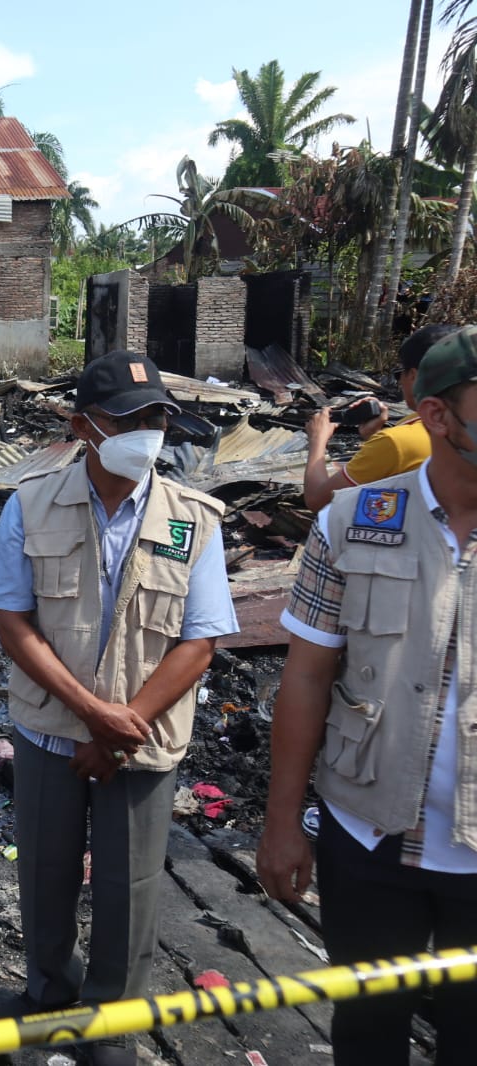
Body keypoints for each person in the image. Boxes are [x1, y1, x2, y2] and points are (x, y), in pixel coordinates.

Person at [0, 350, 239, 1066]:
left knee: (131, 889)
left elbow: (200, 640)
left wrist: (123, 726)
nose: (148, 432)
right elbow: (13, 621)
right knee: (46, 874)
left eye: (157, 417)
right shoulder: (29, 504)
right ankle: (47, 996)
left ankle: (111, 1025)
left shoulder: (195, 519)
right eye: (130, 419)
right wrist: (93, 712)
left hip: (142, 741)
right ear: (83, 427)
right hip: (51, 731)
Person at [256, 326, 477, 1066]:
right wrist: (283, 822)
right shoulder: (352, 522)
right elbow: (308, 678)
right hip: (366, 836)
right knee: (368, 1039)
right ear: (439, 416)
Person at [302, 322, 457, 512]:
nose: (399, 381)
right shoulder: (458, 426)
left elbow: (319, 501)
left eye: (400, 373)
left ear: (415, 377)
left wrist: (318, 440)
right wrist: (372, 435)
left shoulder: (397, 442)